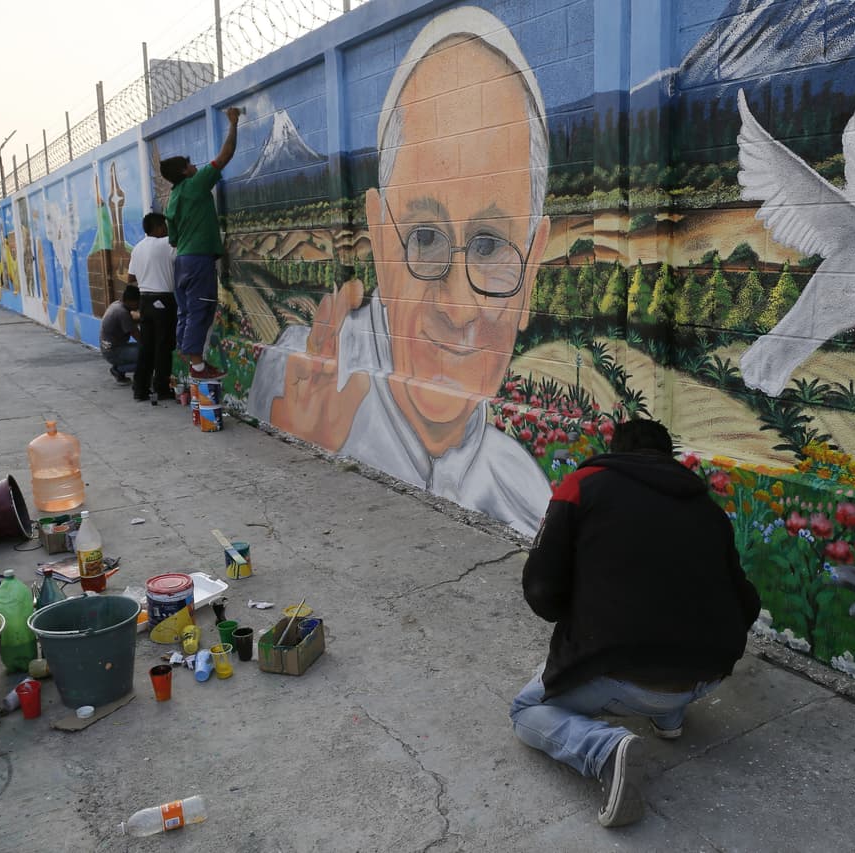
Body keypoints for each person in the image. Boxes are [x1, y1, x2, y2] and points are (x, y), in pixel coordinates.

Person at [247, 7, 553, 536]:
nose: (457, 308)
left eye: (489, 246)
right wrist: (295, 455)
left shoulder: (527, 500)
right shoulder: (297, 385)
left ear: (530, 274)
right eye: (426, 238)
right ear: (381, 240)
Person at [509, 419, 761, 828]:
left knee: (525, 710)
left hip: (621, 672)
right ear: (668, 457)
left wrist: (577, 622)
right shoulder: (709, 509)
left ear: (616, 449)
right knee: (664, 630)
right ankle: (669, 717)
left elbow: (540, 587)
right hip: (706, 674)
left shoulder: (582, 484)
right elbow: (746, 602)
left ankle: (603, 750)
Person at [161, 105, 241, 381]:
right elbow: (225, 155)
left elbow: (172, 237)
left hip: (182, 260)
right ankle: (197, 366)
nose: (195, 165)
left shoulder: (173, 199)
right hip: (197, 261)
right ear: (185, 171)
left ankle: (186, 355)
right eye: (190, 163)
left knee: (186, 311)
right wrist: (233, 124)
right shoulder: (195, 184)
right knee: (201, 308)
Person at [128, 213, 177, 402]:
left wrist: (147, 272)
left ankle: (140, 389)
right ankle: (162, 389)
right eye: (164, 226)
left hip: (145, 301)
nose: (166, 229)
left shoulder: (137, 248)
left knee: (146, 346)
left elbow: (130, 278)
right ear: (157, 227)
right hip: (163, 300)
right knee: (164, 346)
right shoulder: (167, 244)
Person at [100, 284, 141, 384]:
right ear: (131, 301)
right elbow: (138, 337)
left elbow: (133, 318)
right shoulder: (122, 313)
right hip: (114, 351)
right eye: (138, 303)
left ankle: (118, 367)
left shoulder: (116, 304)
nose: (139, 305)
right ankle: (119, 369)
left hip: (108, 348)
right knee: (148, 355)